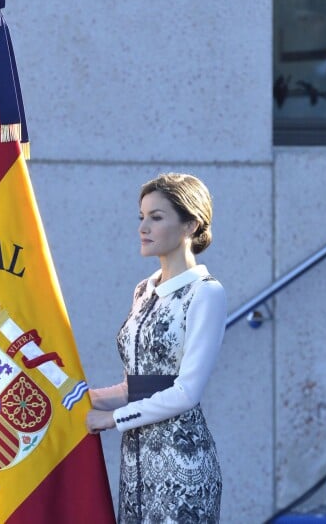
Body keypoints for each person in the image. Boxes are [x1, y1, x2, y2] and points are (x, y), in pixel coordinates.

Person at [86, 172, 227, 523]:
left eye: (157, 217)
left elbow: (186, 392)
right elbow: (134, 386)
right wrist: (80, 398)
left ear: (191, 225)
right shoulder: (142, 291)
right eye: (142, 217)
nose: (143, 227)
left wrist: (111, 419)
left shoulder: (206, 293)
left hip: (183, 466)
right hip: (135, 465)